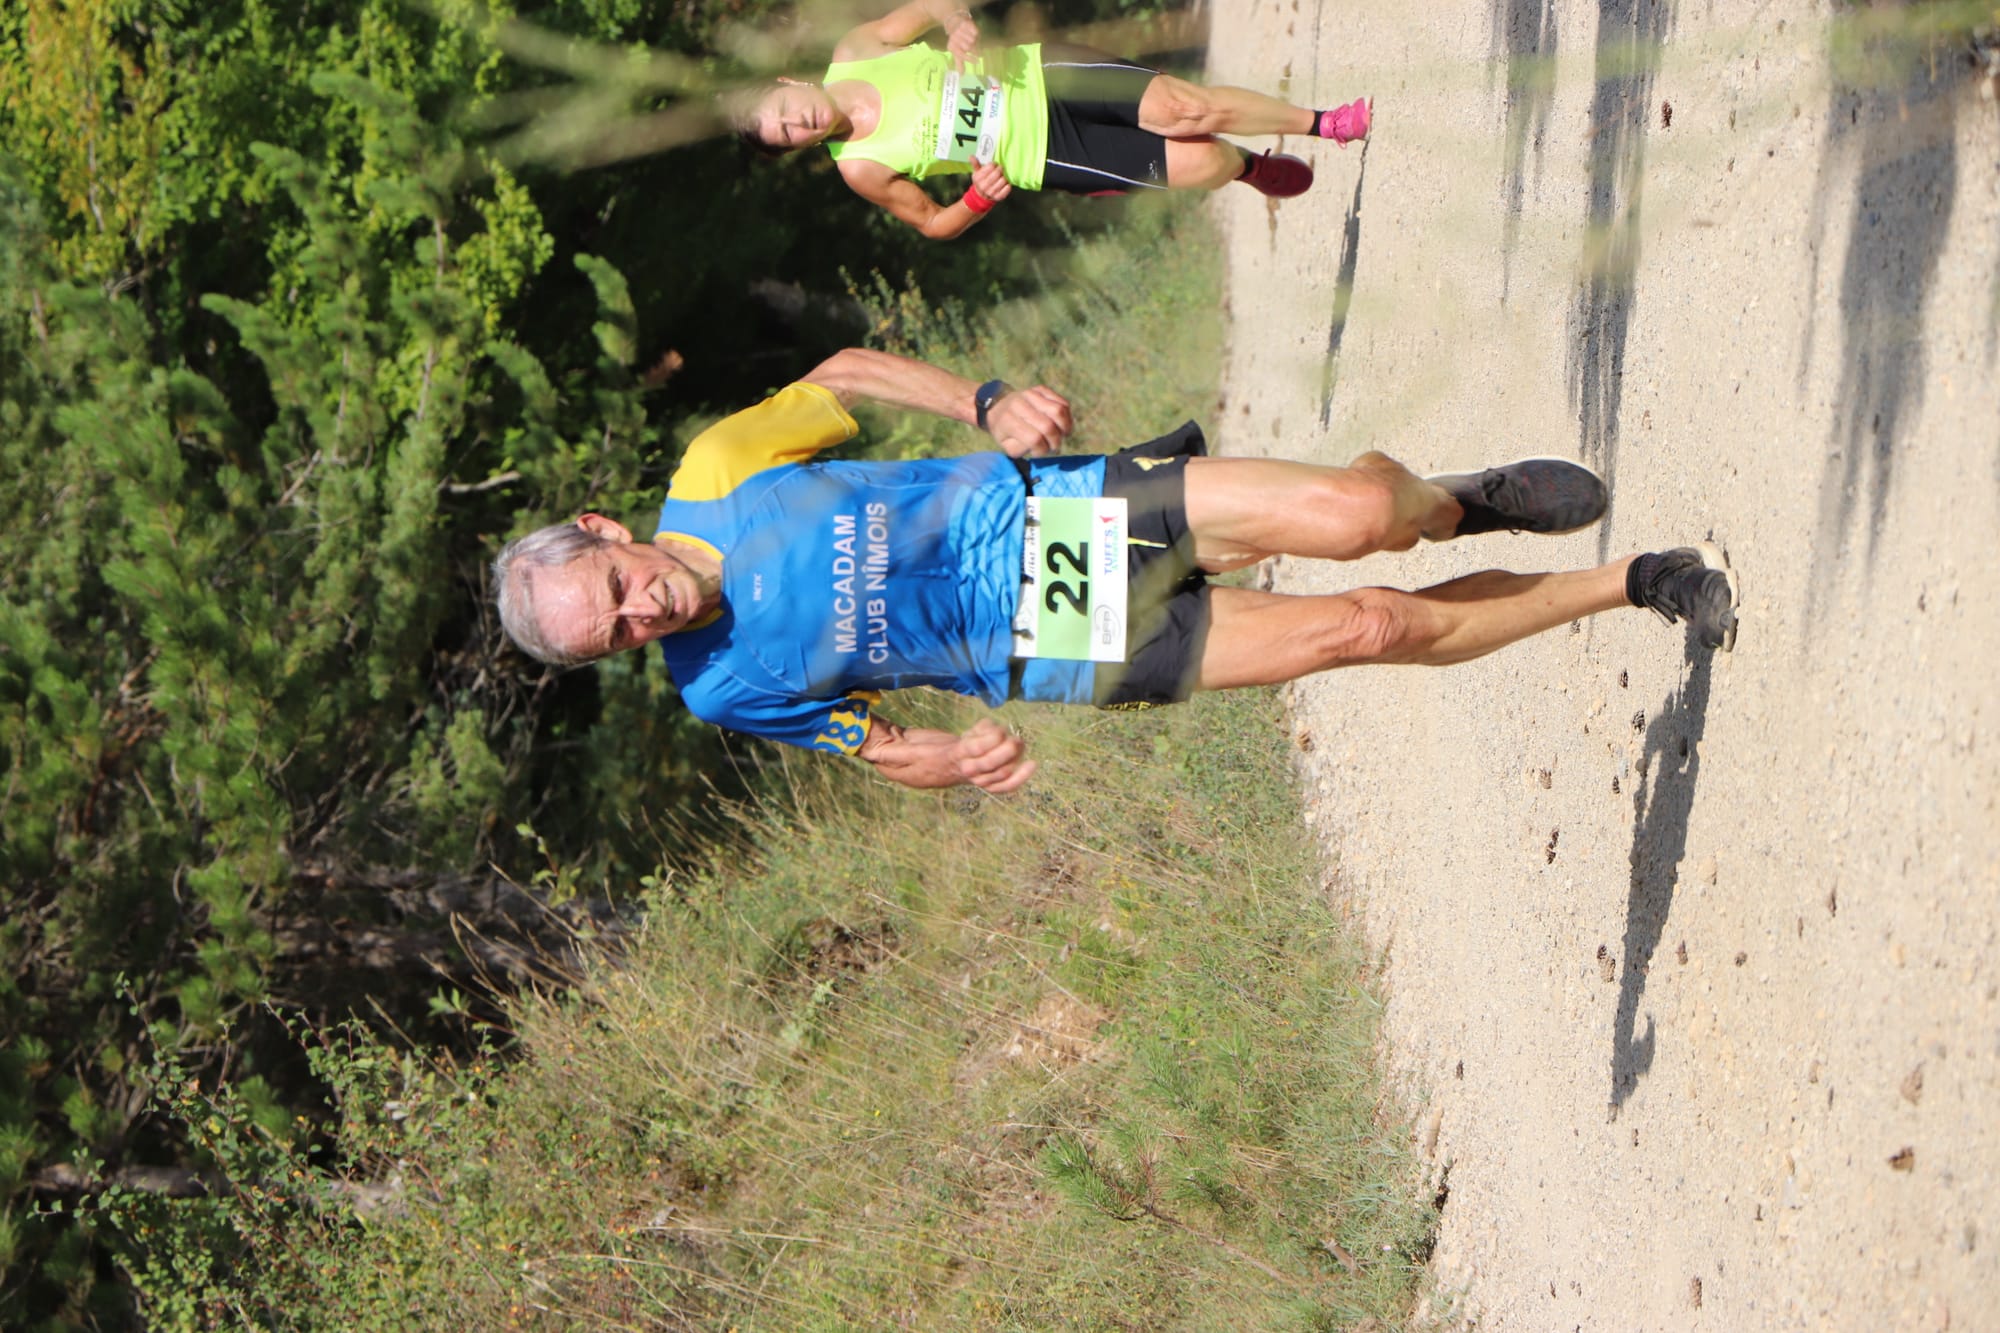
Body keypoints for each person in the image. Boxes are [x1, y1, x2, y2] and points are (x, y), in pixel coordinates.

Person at [491, 347, 1739, 792]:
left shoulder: (717, 466)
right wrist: (951, 762)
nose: (642, 615)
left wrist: (979, 399)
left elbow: (844, 375)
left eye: (616, 590)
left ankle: (1450, 498)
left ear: (605, 531)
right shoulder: (717, 687)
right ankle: (1635, 579)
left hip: (1050, 517)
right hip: (1053, 644)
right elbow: (873, 748)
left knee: (1366, 517)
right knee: (1363, 629)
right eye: (616, 639)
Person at [725, 0, 1370, 239]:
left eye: (786, 111)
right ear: (800, 149)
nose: (799, 123)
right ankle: (1247, 166)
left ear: (791, 84)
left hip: (1037, 73)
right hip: (1043, 152)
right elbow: (932, 222)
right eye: (788, 136)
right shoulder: (861, 168)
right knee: (1206, 160)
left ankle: (1324, 122)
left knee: (1183, 107)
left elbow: (932, 6)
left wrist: (957, 26)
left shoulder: (857, 48)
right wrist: (977, 199)